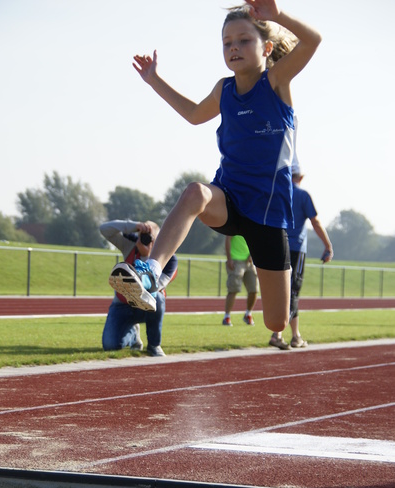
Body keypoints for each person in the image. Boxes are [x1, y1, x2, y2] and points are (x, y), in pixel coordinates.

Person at [109, 0, 322, 336]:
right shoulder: (224, 90)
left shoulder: (276, 81)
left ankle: (279, 322)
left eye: (243, 40)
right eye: (227, 43)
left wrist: (278, 16)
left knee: (276, 321)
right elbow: (194, 114)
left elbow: (313, 41)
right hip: (229, 199)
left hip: (268, 214)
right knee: (195, 192)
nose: (234, 48)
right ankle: (151, 272)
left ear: (266, 48)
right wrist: (154, 80)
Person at [269, 166, 333, 349]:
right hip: (296, 248)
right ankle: (277, 333)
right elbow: (316, 222)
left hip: (277, 246)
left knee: (282, 292)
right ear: (301, 177)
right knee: (293, 293)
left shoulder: (278, 193)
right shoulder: (303, 195)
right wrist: (328, 246)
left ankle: (296, 336)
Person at [100, 219, 178, 357]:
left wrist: (146, 256)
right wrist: (133, 226)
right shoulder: (130, 245)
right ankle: (133, 334)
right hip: (123, 304)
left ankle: (154, 345)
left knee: (158, 298)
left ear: (159, 240)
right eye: (143, 235)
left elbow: (155, 288)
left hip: (148, 306)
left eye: (150, 237)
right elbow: (104, 229)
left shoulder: (170, 259)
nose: (146, 239)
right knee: (110, 346)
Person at [222, 235, 258, 326]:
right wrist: (229, 258)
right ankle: (227, 316)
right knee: (233, 290)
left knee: (254, 290)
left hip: (249, 262)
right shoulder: (235, 223)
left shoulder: (252, 224)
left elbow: (255, 240)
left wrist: (252, 255)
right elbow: (228, 239)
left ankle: (248, 314)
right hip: (236, 261)